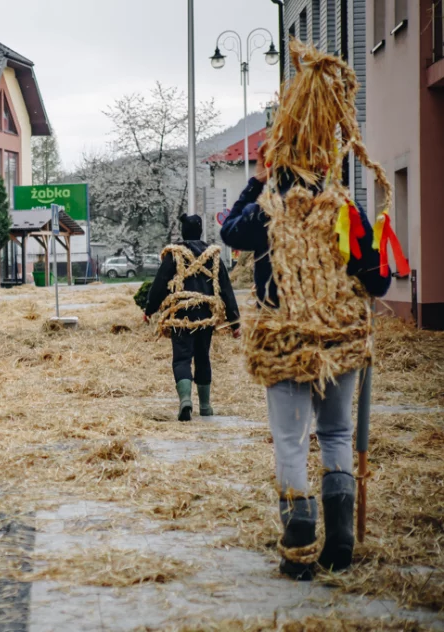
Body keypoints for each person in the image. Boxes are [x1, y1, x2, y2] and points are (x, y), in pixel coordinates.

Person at [220, 40, 395, 581]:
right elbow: (379, 279)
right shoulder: (345, 207)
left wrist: (259, 177)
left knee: (291, 441)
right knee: (337, 433)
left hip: (285, 340)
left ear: (282, 149)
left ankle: (298, 543)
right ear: (325, 149)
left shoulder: (268, 208)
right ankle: (339, 537)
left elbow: (230, 232)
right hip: (339, 342)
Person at [144, 215, 240, 421]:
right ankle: (205, 406)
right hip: (206, 316)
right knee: (203, 357)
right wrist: (235, 322)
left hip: (181, 316)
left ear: (183, 232)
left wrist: (149, 309)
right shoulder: (213, 255)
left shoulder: (174, 254)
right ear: (201, 231)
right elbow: (226, 289)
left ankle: (185, 400)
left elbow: (159, 284)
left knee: (182, 359)